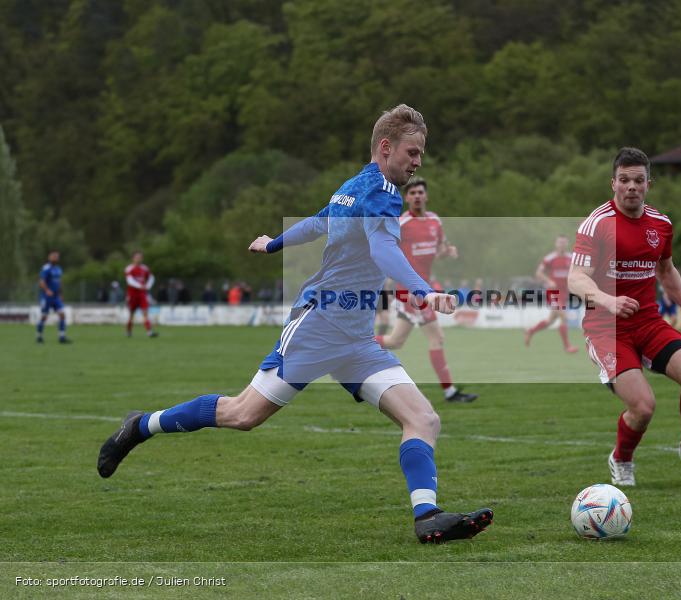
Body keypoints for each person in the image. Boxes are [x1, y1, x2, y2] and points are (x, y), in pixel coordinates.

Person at [96, 104, 492, 544]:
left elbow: (318, 222)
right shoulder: (379, 192)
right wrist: (423, 290)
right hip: (319, 324)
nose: (418, 162)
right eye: (412, 152)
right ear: (386, 147)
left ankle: (427, 517)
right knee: (242, 414)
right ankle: (140, 425)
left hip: (355, 338)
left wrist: (274, 245)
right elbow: (381, 248)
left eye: (421, 154)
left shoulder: (357, 185)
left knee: (424, 418)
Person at [568, 147, 681, 487]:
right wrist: (607, 300)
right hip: (606, 329)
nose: (631, 186)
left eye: (638, 180)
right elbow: (575, 278)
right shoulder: (597, 224)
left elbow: (667, 272)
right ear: (613, 183)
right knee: (643, 407)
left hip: (648, 322)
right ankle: (622, 459)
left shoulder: (661, 224)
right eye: (624, 180)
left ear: (648, 184)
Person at [374, 177, 478, 403]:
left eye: (420, 192)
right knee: (435, 338)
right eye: (412, 193)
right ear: (406, 198)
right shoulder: (401, 224)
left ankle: (356, 343)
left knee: (396, 341)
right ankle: (450, 392)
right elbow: (387, 254)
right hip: (411, 291)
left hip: (426, 288)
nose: (417, 196)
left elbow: (436, 251)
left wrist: (447, 252)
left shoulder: (435, 221)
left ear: (426, 196)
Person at [524, 235, 579, 353]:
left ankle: (530, 331)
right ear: (556, 244)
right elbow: (538, 273)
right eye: (560, 242)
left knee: (550, 321)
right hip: (553, 292)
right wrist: (548, 281)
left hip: (564, 292)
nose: (562, 244)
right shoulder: (549, 258)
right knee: (563, 316)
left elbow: (576, 272)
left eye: (564, 242)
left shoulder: (571, 258)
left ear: (567, 244)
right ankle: (567, 346)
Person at [36, 250, 71, 344]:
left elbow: (59, 283)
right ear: (49, 257)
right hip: (47, 297)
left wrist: (60, 294)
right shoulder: (46, 268)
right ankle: (39, 337)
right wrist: (47, 290)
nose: (55, 258)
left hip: (56, 297)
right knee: (44, 316)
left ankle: (62, 337)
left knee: (62, 314)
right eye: (53, 256)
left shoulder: (58, 269)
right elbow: (41, 282)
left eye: (57, 256)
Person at [124, 251, 158, 338]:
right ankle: (129, 330)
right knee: (131, 314)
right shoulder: (129, 268)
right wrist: (140, 286)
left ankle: (149, 332)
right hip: (132, 295)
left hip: (142, 294)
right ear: (133, 258)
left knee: (145, 312)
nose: (139, 259)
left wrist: (147, 286)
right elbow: (129, 281)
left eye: (140, 257)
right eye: (137, 257)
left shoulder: (145, 268)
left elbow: (151, 277)